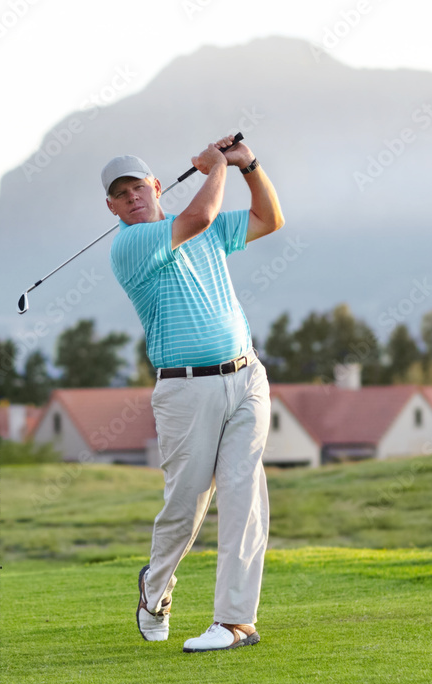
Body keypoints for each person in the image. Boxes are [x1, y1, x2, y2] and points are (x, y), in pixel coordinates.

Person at [102, 135, 285, 652]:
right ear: (112, 208)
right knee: (185, 508)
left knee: (244, 496)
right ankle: (155, 589)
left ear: (157, 186)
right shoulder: (131, 245)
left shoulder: (205, 225)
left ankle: (234, 622)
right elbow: (200, 217)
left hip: (246, 377)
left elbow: (269, 219)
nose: (133, 198)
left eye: (138, 187)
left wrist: (248, 165)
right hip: (185, 389)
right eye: (121, 194)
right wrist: (216, 166)